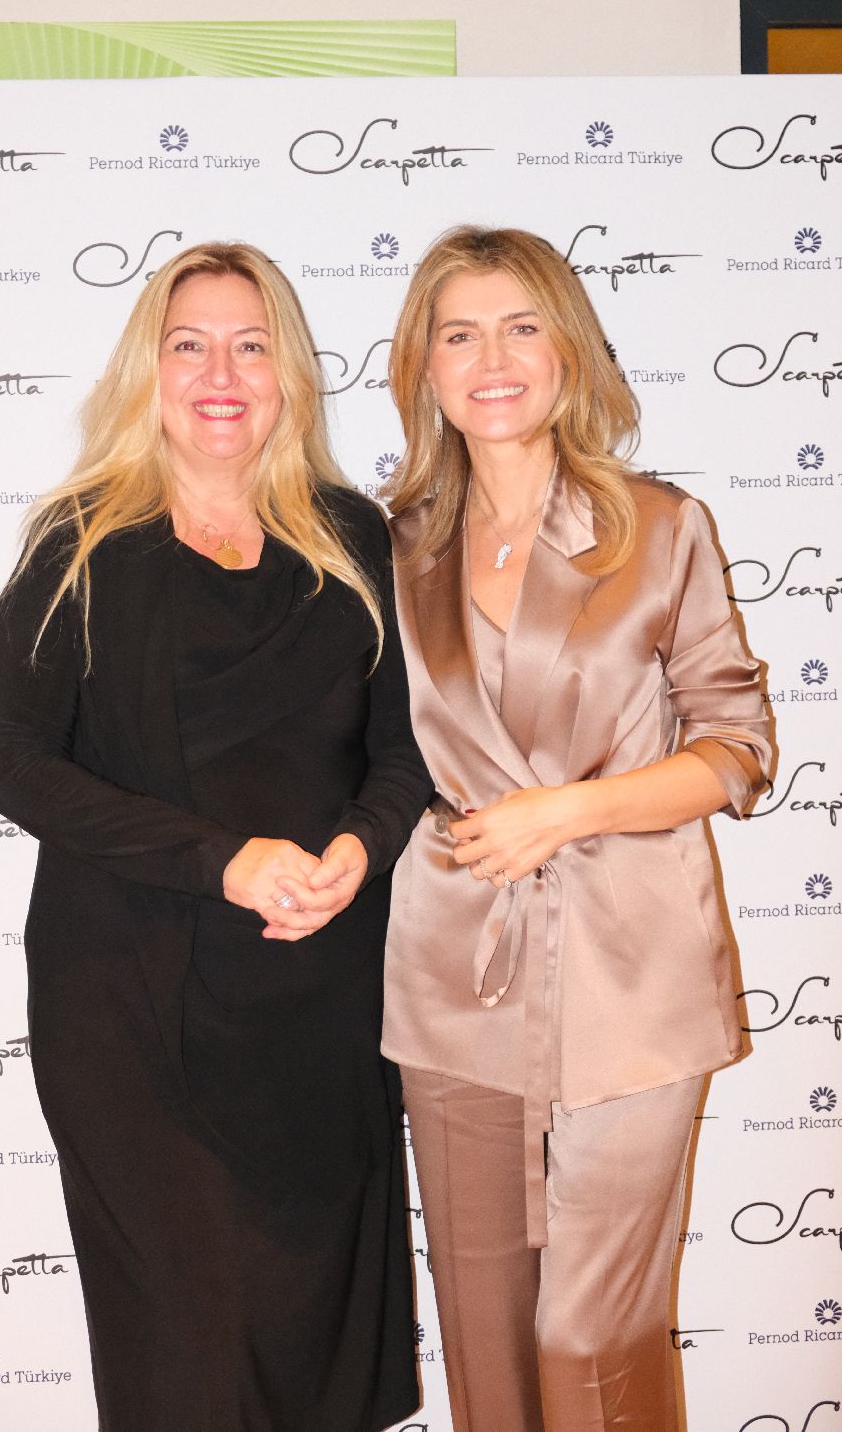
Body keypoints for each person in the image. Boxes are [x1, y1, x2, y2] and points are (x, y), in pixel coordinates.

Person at [0, 242, 431, 1432]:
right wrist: (222, 861)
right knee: (186, 1350)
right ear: (150, 370)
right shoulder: (81, 543)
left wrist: (359, 849)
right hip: (130, 1012)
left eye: (249, 345)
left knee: (313, 1341)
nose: (220, 375)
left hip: (319, 1005)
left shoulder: (352, 537)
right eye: (190, 346)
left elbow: (405, 750)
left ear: (288, 374)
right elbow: (10, 761)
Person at [381, 226, 771, 1431]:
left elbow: (737, 747)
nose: (491, 359)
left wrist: (569, 811)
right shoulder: (390, 546)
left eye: (521, 327)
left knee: (587, 1331)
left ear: (568, 349)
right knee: (486, 1323)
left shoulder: (659, 526)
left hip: (634, 968)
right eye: (459, 335)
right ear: (425, 368)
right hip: (454, 966)